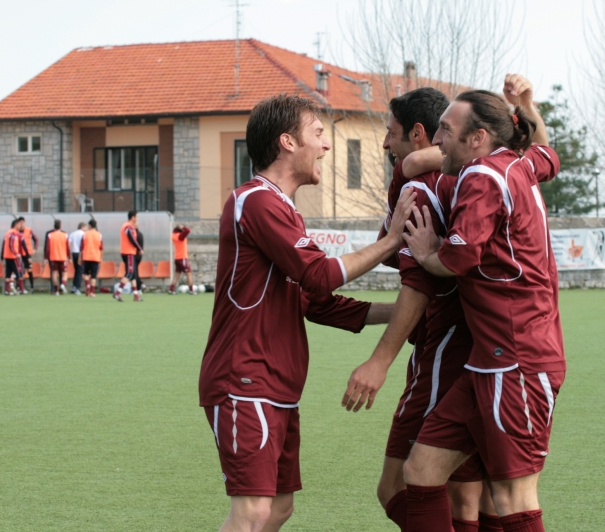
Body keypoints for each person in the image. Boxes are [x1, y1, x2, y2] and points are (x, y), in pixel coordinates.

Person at [199, 94, 416, 532]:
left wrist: (405, 313)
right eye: (318, 133)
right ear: (287, 142)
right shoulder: (257, 201)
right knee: (254, 511)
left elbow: (315, 303)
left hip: (276, 385)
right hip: (245, 378)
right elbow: (319, 275)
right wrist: (391, 242)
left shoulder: (282, 209)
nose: (327, 146)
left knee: (278, 509)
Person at [400, 75, 563, 532]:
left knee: (512, 496)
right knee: (422, 470)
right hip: (487, 363)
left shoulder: (482, 175)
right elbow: (549, 154)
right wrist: (528, 105)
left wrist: (429, 252)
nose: (437, 139)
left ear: (479, 138)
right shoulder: (518, 163)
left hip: (516, 362)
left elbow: (457, 258)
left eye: (446, 131)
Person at [341, 87, 495, 532]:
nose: (386, 144)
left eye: (390, 134)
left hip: (444, 349)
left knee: (396, 486)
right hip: (489, 348)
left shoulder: (420, 188)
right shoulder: (470, 176)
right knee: (468, 495)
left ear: (418, 132)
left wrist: (378, 360)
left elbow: (418, 282)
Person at [114, 210, 143, 302]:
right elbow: (132, 239)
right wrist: (139, 248)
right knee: (130, 273)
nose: (137, 219)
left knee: (133, 275)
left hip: (129, 252)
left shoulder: (129, 226)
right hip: (128, 252)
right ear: (133, 217)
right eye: (137, 217)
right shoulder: (128, 226)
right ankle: (118, 292)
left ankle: (136, 295)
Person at [44, 219, 71, 296]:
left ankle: (56, 290)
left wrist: (46, 258)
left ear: (54, 226)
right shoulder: (65, 234)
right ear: (60, 226)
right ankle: (62, 284)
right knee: (65, 273)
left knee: (54, 273)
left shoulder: (50, 235)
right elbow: (68, 247)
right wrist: (69, 257)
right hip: (62, 257)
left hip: (53, 257)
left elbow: (47, 248)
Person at [80, 219, 103, 297]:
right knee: (93, 275)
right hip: (96, 257)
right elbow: (101, 248)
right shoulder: (99, 234)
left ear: (89, 225)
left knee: (85, 273)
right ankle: (92, 292)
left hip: (86, 257)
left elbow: (81, 247)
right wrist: (101, 258)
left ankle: (87, 286)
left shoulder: (85, 234)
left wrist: (80, 258)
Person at [169, 224, 194, 295]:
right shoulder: (180, 236)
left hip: (177, 257)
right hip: (182, 257)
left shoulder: (174, 235)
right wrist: (183, 227)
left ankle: (171, 289)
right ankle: (191, 290)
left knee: (177, 274)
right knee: (188, 273)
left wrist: (178, 227)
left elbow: (175, 230)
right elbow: (188, 230)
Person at [2, 218, 25, 295]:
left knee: (8, 274)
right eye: (19, 224)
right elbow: (11, 245)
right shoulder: (13, 233)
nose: (20, 226)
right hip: (13, 256)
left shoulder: (7, 233)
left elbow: (4, 244)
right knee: (19, 273)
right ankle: (20, 289)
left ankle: (7, 290)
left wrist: (2, 255)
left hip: (7, 256)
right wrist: (16, 253)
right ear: (15, 225)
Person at [18, 216, 38, 293]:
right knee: (20, 271)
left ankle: (32, 287)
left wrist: (35, 249)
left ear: (24, 222)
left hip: (27, 253)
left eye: (22, 222)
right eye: (20, 223)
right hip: (19, 254)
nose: (21, 224)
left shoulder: (29, 230)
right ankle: (20, 288)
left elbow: (36, 239)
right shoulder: (16, 232)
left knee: (29, 270)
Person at [68, 222, 87, 294]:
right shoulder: (83, 234)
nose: (86, 229)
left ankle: (74, 286)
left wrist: (69, 255)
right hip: (80, 253)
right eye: (85, 227)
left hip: (74, 253)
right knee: (80, 271)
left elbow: (69, 244)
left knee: (76, 270)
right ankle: (77, 288)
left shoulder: (72, 234)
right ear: (82, 227)